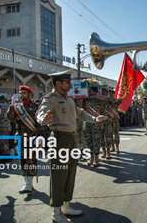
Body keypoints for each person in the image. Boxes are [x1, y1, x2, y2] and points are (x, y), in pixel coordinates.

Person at [36, 70, 107, 223]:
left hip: (70, 138)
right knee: (58, 175)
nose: (69, 84)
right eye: (67, 81)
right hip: (59, 138)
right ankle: (56, 212)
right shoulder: (51, 98)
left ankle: (66, 206)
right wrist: (44, 118)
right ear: (58, 83)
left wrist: (95, 118)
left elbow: (80, 113)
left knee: (70, 173)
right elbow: (40, 113)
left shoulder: (68, 100)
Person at [7, 86, 41, 194]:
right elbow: (9, 118)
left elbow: (39, 124)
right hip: (20, 138)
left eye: (24, 93)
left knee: (31, 161)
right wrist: (11, 107)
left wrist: (40, 138)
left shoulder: (35, 107)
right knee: (22, 161)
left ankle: (29, 185)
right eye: (20, 93)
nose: (22, 95)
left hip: (31, 138)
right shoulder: (17, 107)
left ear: (30, 95)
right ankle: (27, 183)